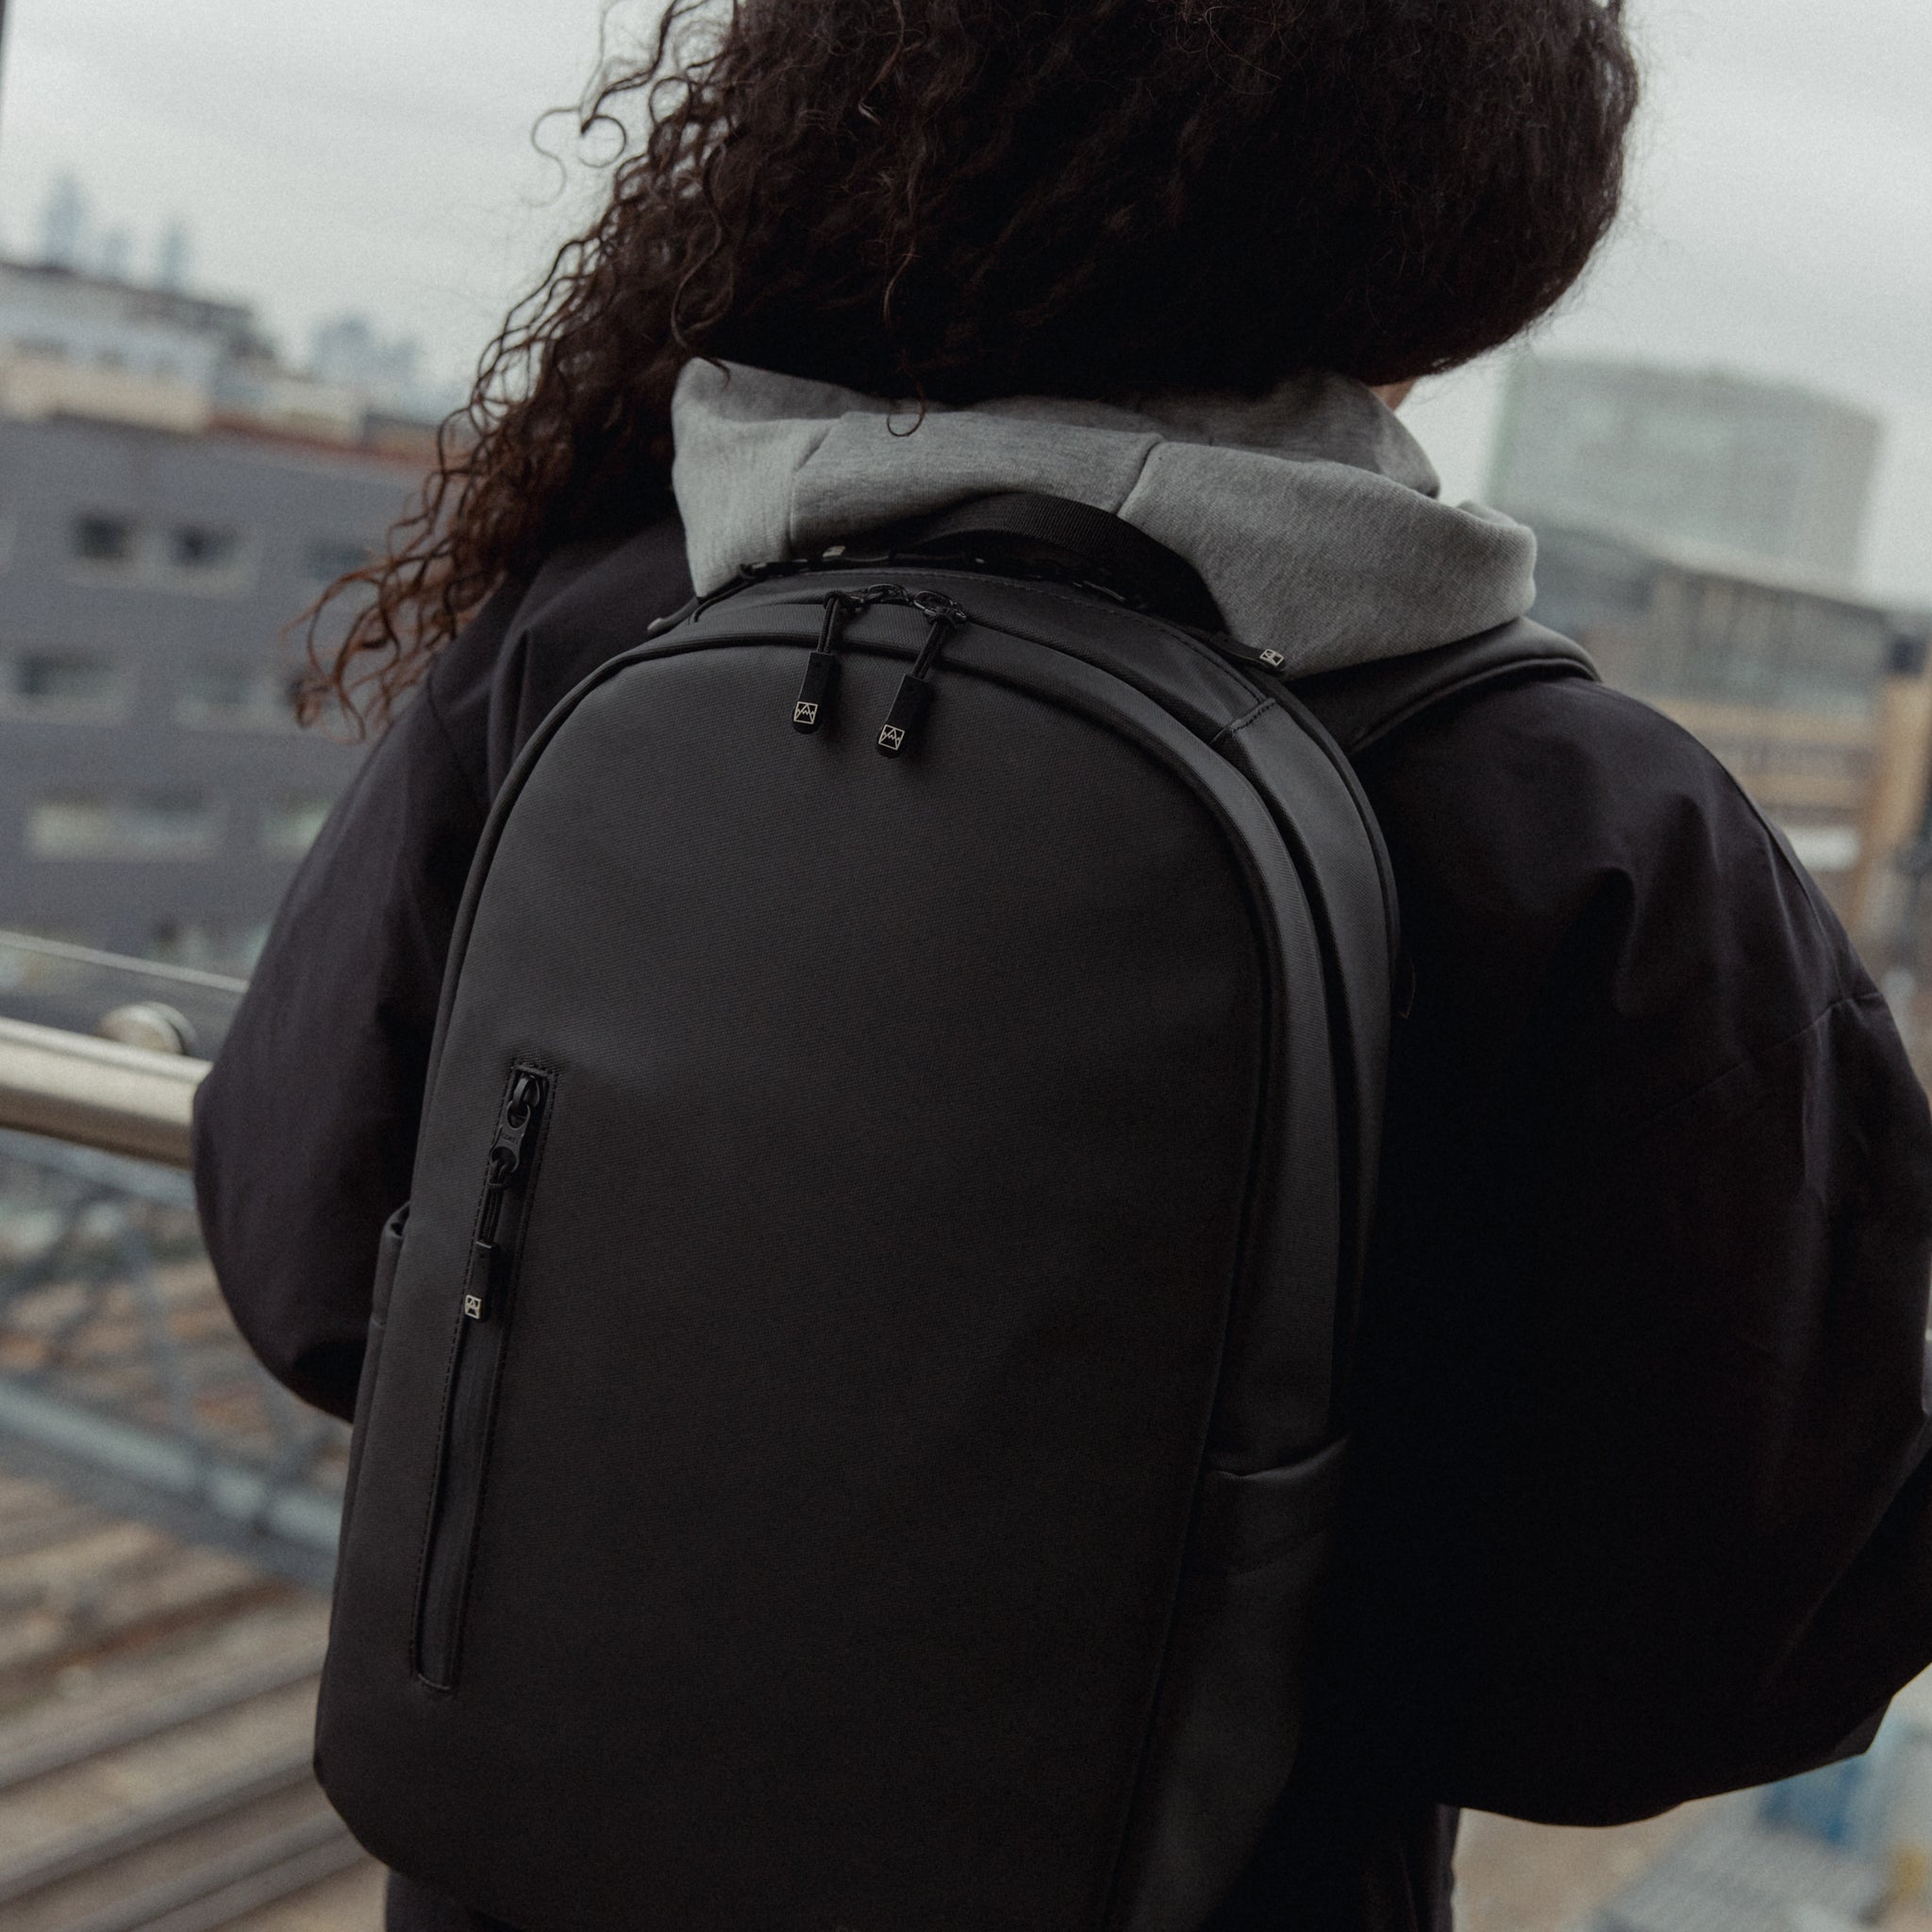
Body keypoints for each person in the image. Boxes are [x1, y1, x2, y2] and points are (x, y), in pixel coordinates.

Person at [192, 3, 1932, 1928]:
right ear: (1467, 260)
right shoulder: (1595, 829)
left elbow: (302, 1247)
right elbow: (1734, 1628)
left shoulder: (594, 625)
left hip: (542, 1870)